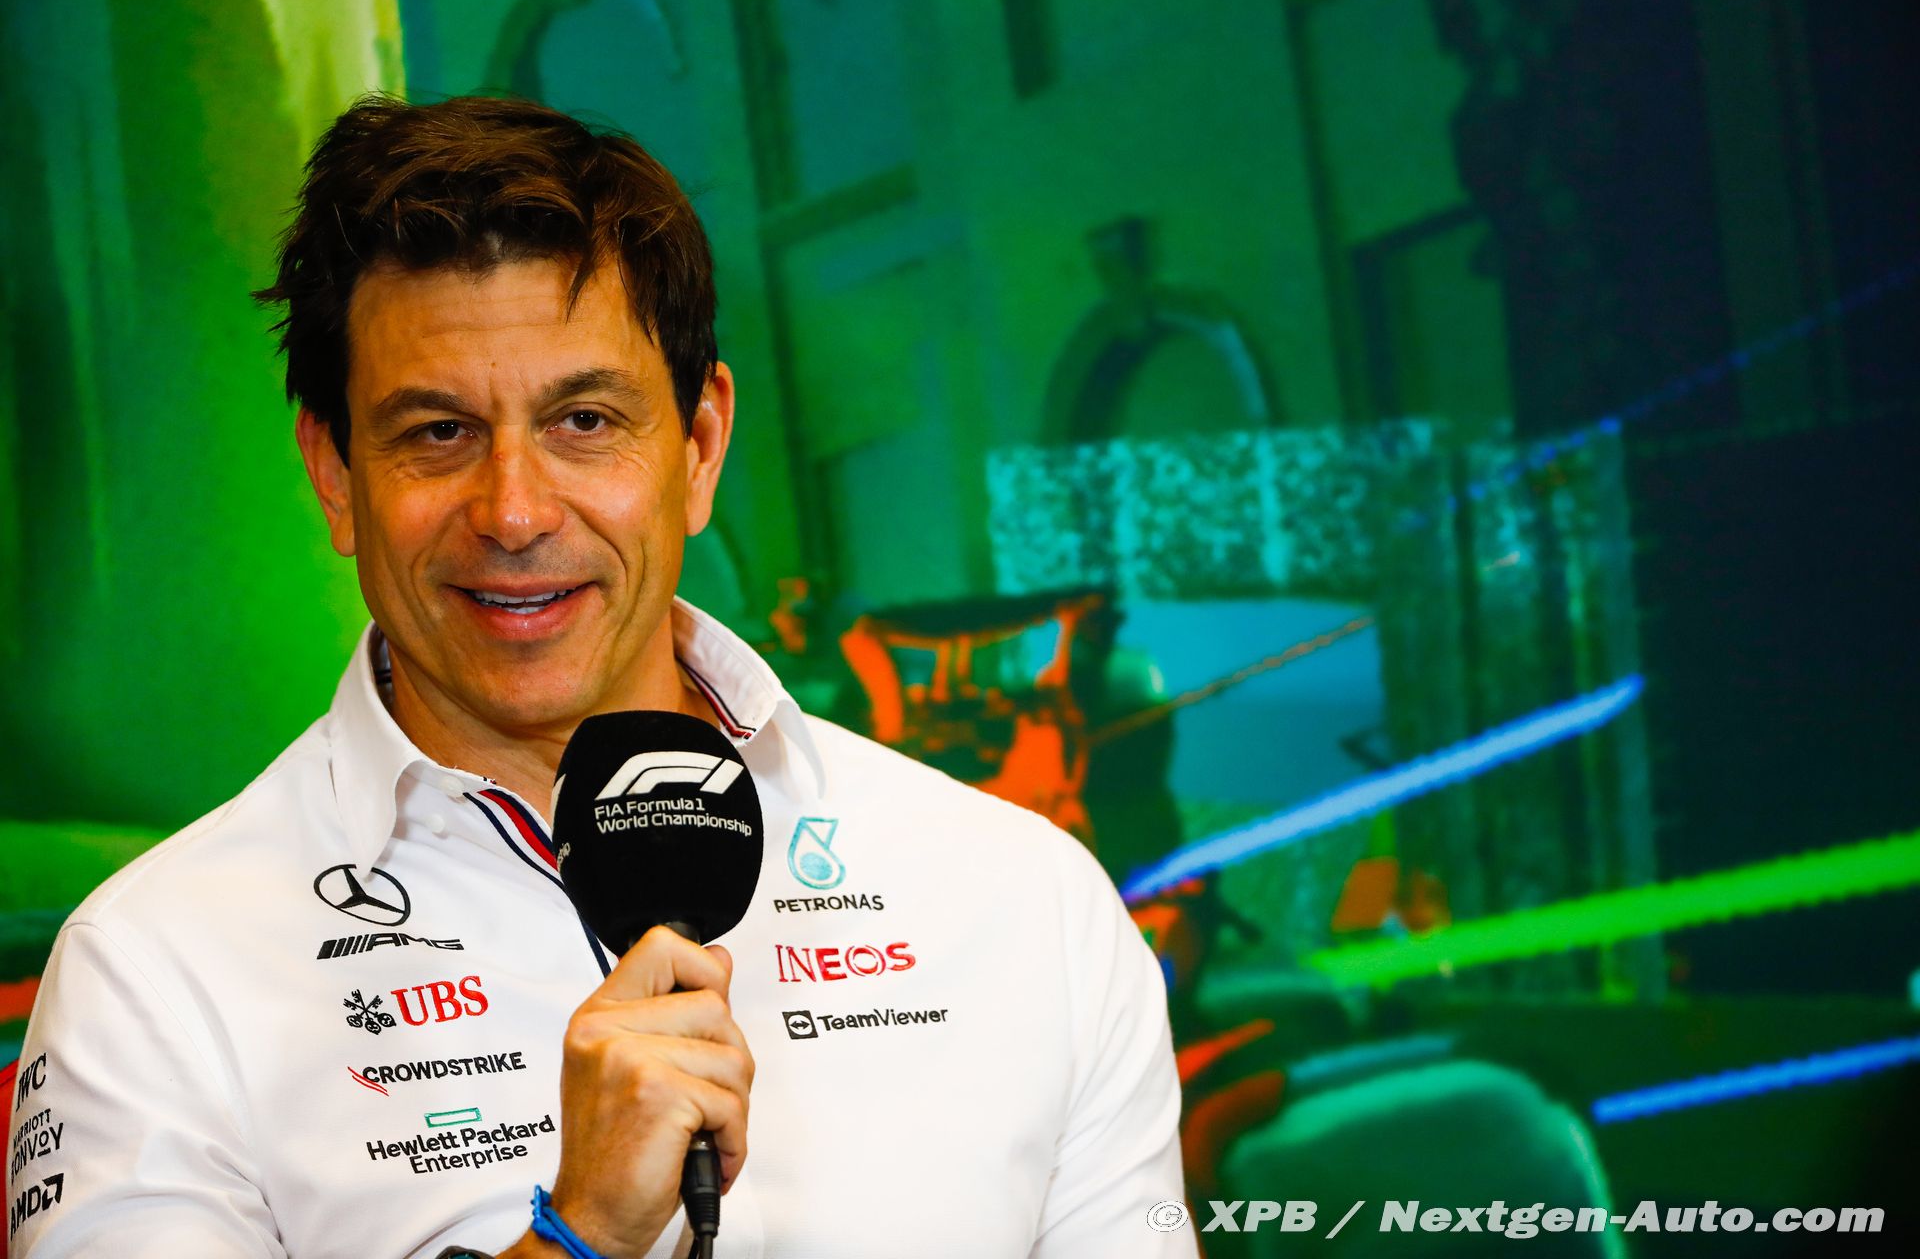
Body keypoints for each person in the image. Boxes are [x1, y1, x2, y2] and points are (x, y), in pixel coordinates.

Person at [5, 95, 1192, 1258]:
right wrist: (578, 1238)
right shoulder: (153, 974)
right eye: (436, 432)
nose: (515, 511)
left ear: (700, 445)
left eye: (583, 419)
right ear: (335, 472)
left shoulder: (1025, 901)